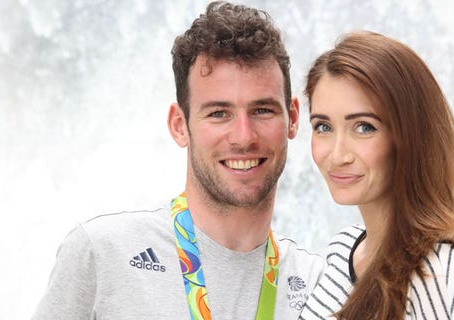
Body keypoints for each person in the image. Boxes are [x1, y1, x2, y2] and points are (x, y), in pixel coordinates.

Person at [32, 2, 324, 319]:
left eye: (262, 110)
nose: (243, 136)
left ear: (293, 118)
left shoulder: (319, 284)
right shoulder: (102, 254)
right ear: (178, 125)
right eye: (218, 113)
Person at [298, 31, 454, 320]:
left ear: (409, 136)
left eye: (364, 127)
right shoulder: (342, 250)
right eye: (323, 127)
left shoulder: (434, 274)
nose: (337, 155)